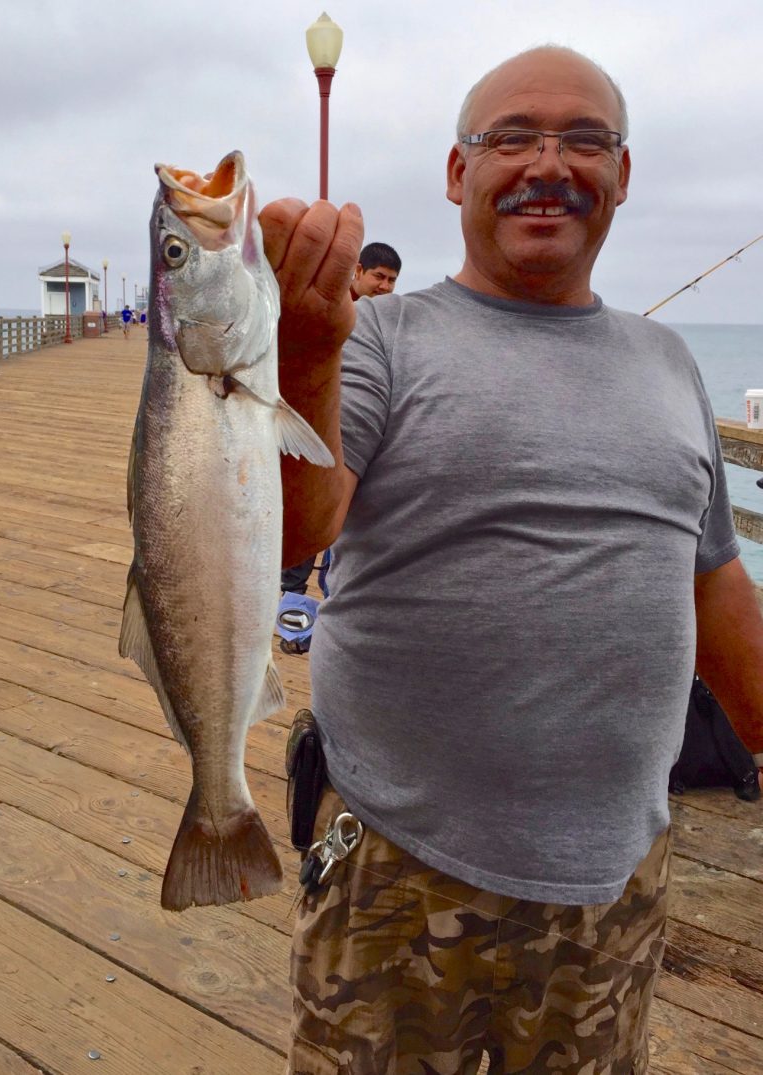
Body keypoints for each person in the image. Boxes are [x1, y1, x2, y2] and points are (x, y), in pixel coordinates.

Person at [261, 46, 763, 1074]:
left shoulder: (669, 361)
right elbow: (289, 533)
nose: (550, 162)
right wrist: (305, 354)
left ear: (622, 176)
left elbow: (716, 586)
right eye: (511, 138)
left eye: (586, 140)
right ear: (457, 174)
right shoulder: (381, 339)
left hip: (616, 881)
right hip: (401, 875)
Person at [278, 241, 402, 606]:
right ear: (358, 271)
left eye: (393, 280)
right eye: (379, 276)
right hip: (314, 428)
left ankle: (335, 601)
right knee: (309, 519)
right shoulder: (331, 308)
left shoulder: (390, 319)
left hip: (364, 432)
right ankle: (290, 605)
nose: (385, 286)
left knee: (346, 528)